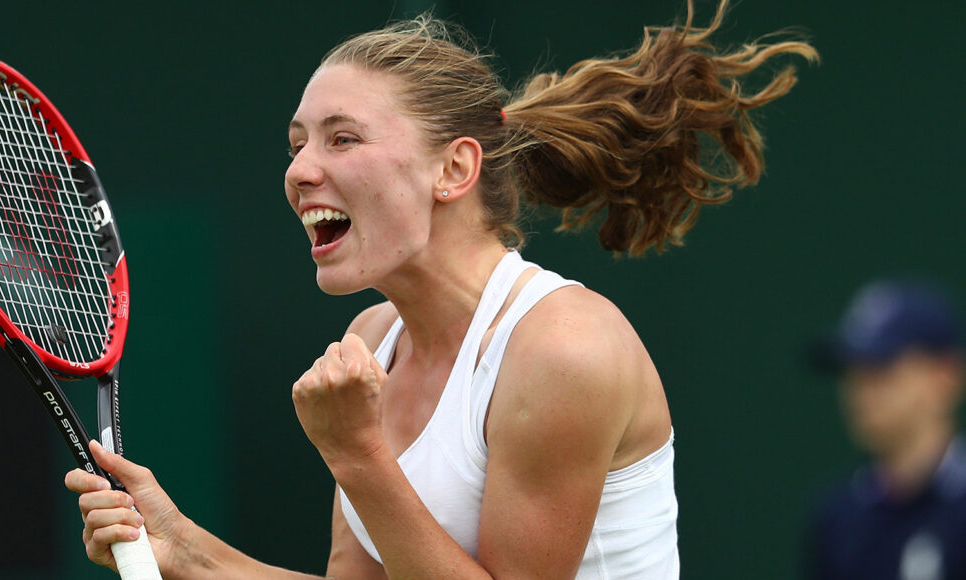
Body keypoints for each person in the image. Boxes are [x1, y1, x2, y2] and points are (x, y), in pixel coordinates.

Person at [67, 2, 816, 577]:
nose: (298, 172)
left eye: (342, 138)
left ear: (454, 170)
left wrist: (359, 455)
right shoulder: (369, 345)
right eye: (297, 145)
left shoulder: (563, 346)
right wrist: (184, 550)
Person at [807, 279, 966, 580]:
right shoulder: (838, 520)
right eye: (851, 372)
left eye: (882, 367)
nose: (861, 391)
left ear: (946, 375)